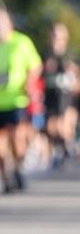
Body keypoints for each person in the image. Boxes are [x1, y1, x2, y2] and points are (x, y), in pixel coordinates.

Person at [0, 7, 42, 192]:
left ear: (9, 23)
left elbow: (35, 66)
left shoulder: (21, 42)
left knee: (17, 142)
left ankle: (18, 168)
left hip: (16, 100)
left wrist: (29, 82)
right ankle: (5, 179)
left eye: (0, 22)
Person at [43, 22, 77, 168]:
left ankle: (68, 146)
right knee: (51, 127)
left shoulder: (71, 55)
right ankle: (61, 149)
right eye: (55, 35)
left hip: (67, 97)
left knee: (64, 126)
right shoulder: (46, 55)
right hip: (50, 96)